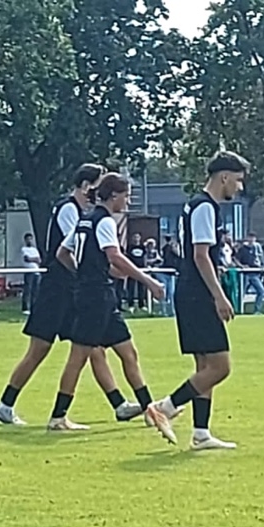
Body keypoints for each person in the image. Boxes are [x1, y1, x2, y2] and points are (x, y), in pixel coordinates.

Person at [0, 164, 144, 430]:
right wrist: (95, 272)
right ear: (86, 186)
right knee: (40, 349)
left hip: (75, 289)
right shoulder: (70, 210)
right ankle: (6, 404)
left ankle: (119, 404)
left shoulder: (84, 214)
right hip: (58, 290)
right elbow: (78, 250)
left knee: (93, 348)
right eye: (97, 185)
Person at [144, 151, 251, 450]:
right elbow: (201, 255)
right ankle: (165, 407)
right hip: (198, 293)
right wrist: (219, 296)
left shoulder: (194, 205)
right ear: (224, 177)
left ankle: (201, 433)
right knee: (220, 367)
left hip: (189, 290)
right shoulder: (205, 207)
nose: (239, 187)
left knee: (205, 366)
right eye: (238, 181)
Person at [49, 174, 165, 429]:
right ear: (114, 196)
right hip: (95, 297)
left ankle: (151, 411)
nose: (128, 201)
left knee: (128, 353)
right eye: (127, 196)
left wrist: (84, 272)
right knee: (78, 357)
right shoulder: (104, 221)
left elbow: (62, 254)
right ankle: (58, 417)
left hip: (100, 295)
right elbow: (115, 256)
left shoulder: (84, 220)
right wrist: (147, 280)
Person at [19, 232, 41, 314]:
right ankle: (25, 308)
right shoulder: (24, 249)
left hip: (36, 272)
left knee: (35, 291)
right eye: (28, 239)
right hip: (29, 271)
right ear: (25, 240)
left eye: (31, 239)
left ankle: (33, 307)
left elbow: (39, 260)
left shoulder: (35, 250)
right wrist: (35, 259)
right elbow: (27, 259)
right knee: (28, 289)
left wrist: (33, 259)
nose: (29, 241)